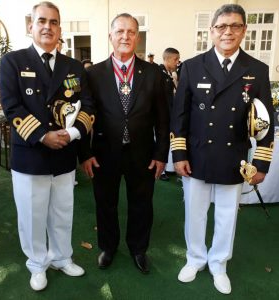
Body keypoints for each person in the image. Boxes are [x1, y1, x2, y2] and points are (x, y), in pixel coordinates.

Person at [170, 4, 274, 295]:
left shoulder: (256, 69)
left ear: (244, 31)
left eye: (235, 26)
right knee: (195, 212)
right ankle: (195, 258)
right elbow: (179, 116)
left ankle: (219, 264)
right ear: (211, 31)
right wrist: (179, 155)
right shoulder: (191, 66)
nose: (228, 31)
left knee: (227, 214)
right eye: (221, 26)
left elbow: (266, 120)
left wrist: (262, 164)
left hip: (234, 156)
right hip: (198, 154)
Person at [0, 1, 94, 291]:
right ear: (31, 26)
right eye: (42, 21)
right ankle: (37, 264)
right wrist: (42, 135)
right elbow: (12, 107)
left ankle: (61, 257)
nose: (47, 27)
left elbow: (87, 107)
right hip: (31, 155)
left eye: (53, 22)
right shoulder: (13, 62)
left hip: (64, 153)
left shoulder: (74, 66)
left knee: (62, 212)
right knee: (32, 214)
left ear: (60, 29)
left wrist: (74, 134)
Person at [78, 13, 169, 274]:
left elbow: (164, 118)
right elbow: (84, 116)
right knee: (105, 202)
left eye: (131, 32)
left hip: (142, 153)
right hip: (104, 153)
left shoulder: (153, 73)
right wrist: (84, 153)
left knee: (142, 203)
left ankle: (138, 249)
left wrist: (161, 153)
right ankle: (108, 247)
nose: (125, 36)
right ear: (111, 37)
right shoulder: (93, 73)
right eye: (120, 31)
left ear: (137, 37)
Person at [159, 47, 180, 181]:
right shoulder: (159, 74)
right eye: (175, 59)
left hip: (168, 114)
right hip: (161, 116)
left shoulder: (168, 74)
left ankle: (166, 168)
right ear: (167, 59)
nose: (178, 62)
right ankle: (160, 171)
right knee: (160, 141)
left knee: (166, 141)